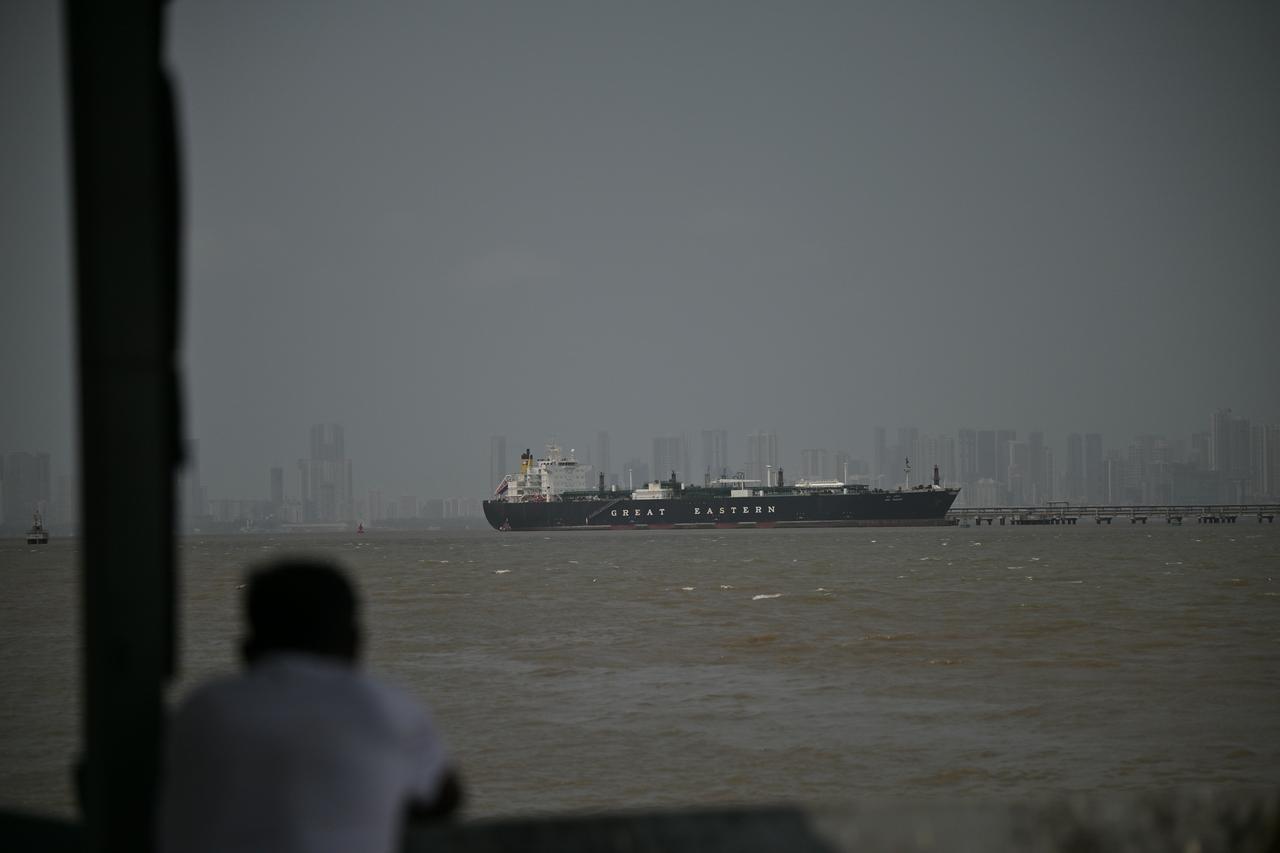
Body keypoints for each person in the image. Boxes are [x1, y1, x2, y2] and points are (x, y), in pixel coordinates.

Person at [156, 558, 461, 853]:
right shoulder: (388, 709)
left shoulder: (203, 709)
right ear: (355, 641)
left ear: (247, 647)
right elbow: (443, 800)